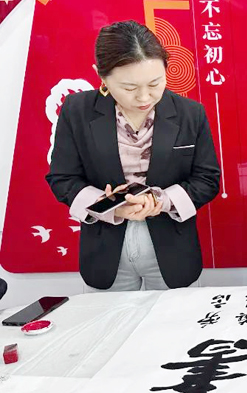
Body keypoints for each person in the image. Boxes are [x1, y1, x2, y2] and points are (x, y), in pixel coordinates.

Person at [46, 20, 220, 290]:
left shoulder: (190, 113)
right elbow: (63, 178)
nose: (144, 97)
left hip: (172, 248)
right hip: (105, 248)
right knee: (111, 318)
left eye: (155, 83)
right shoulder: (77, 110)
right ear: (101, 76)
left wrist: (160, 201)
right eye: (129, 88)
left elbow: (207, 179)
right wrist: (107, 205)